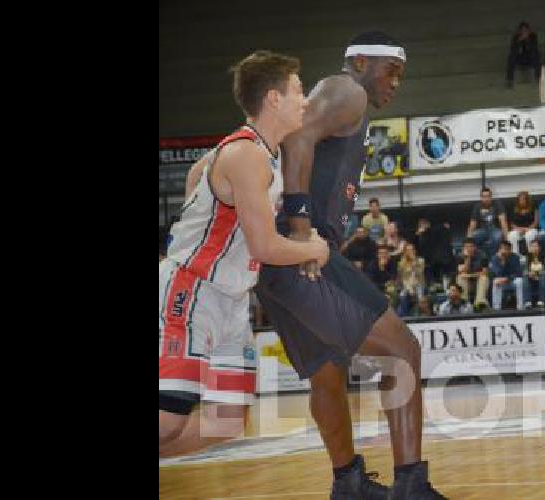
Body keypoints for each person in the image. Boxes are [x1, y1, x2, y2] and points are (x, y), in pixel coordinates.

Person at [250, 32, 445, 499]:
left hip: (275, 266)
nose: (395, 82)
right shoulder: (346, 89)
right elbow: (297, 133)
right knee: (402, 353)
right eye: (390, 70)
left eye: (401, 74)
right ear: (359, 61)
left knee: (327, 372)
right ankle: (410, 485)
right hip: (302, 253)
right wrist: (300, 221)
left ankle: (349, 483)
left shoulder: (348, 102)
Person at [160, 50, 330, 456]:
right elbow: (265, 246)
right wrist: (313, 248)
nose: (304, 101)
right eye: (298, 90)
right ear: (274, 98)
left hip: (232, 301)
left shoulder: (249, 153)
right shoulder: (246, 154)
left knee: (228, 419)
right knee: (167, 419)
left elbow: (196, 176)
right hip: (195, 290)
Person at [468, 187, 509, 256]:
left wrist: (506, 240)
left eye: (488, 196)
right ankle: (480, 257)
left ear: (491, 197)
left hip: (495, 229)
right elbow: (472, 225)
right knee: (474, 237)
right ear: (481, 198)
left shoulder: (497, 204)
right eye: (484, 197)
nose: (486, 199)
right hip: (482, 230)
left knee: (497, 237)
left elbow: (503, 223)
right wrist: (468, 242)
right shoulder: (477, 207)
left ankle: (493, 258)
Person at [489, 241, 526, 310]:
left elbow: (518, 273)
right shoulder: (495, 258)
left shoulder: (515, 257)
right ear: (499, 250)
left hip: (512, 280)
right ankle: (496, 308)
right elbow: (497, 273)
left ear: (510, 250)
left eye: (507, 249)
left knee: (520, 281)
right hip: (501, 281)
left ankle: (520, 307)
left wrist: (508, 278)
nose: (505, 251)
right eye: (503, 249)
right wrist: (502, 261)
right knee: (495, 282)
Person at [454, 238, 490, 310]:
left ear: (475, 247)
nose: (469, 249)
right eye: (466, 247)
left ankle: (479, 304)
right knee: (460, 278)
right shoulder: (459, 256)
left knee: (483, 278)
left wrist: (470, 275)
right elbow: (462, 272)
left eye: (471, 246)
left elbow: (484, 272)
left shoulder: (482, 255)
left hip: (479, 283)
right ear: (463, 248)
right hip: (468, 283)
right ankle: (464, 303)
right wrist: (467, 258)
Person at [505, 21, 541, 89]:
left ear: (529, 30)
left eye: (525, 30)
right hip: (520, 57)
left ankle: (538, 78)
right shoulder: (516, 37)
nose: (524, 32)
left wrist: (528, 40)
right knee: (511, 57)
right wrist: (519, 41)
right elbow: (513, 49)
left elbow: (534, 47)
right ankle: (510, 80)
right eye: (522, 30)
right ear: (519, 31)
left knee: (535, 54)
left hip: (530, 57)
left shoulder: (533, 36)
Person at [397, 243, 427, 317]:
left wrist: (414, 263)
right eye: (408, 250)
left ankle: (420, 316)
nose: (411, 251)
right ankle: (405, 316)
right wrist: (409, 288)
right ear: (406, 252)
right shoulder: (401, 263)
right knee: (402, 295)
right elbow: (403, 278)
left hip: (419, 283)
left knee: (420, 297)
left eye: (412, 249)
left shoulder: (421, 261)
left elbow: (419, 273)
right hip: (407, 285)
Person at [523, 239, 545, 308]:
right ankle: (527, 302)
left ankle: (541, 301)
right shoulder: (526, 258)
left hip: (543, 277)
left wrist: (537, 273)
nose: (534, 248)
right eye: (532, 247)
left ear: (540, 248)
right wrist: (529, 273)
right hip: (531, 278)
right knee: (525, 278)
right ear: (529, 248)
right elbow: (524, 272)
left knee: (543, 278)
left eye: (536, 246)